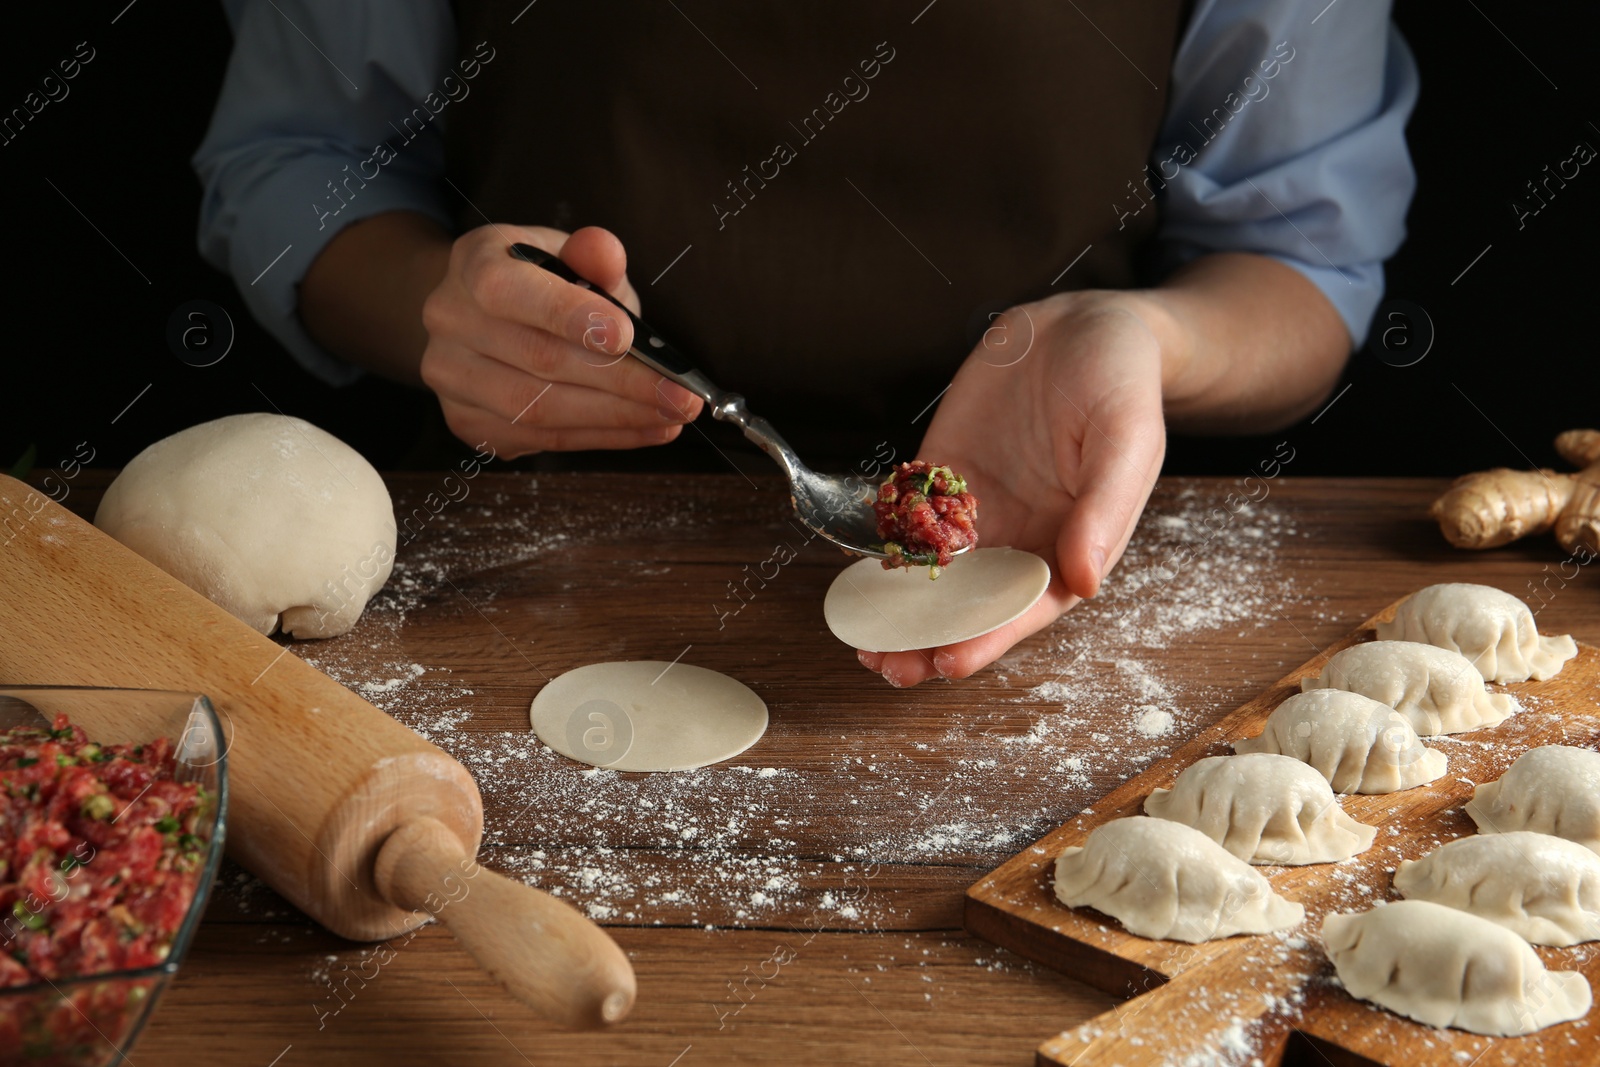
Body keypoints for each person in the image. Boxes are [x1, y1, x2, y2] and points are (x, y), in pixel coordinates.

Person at [195, 0, 1417, 687]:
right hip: (513, 548)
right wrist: (432, 306)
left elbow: (1304, 263)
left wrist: (1143, 339)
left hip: (1057, 549)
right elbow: (294, 163)